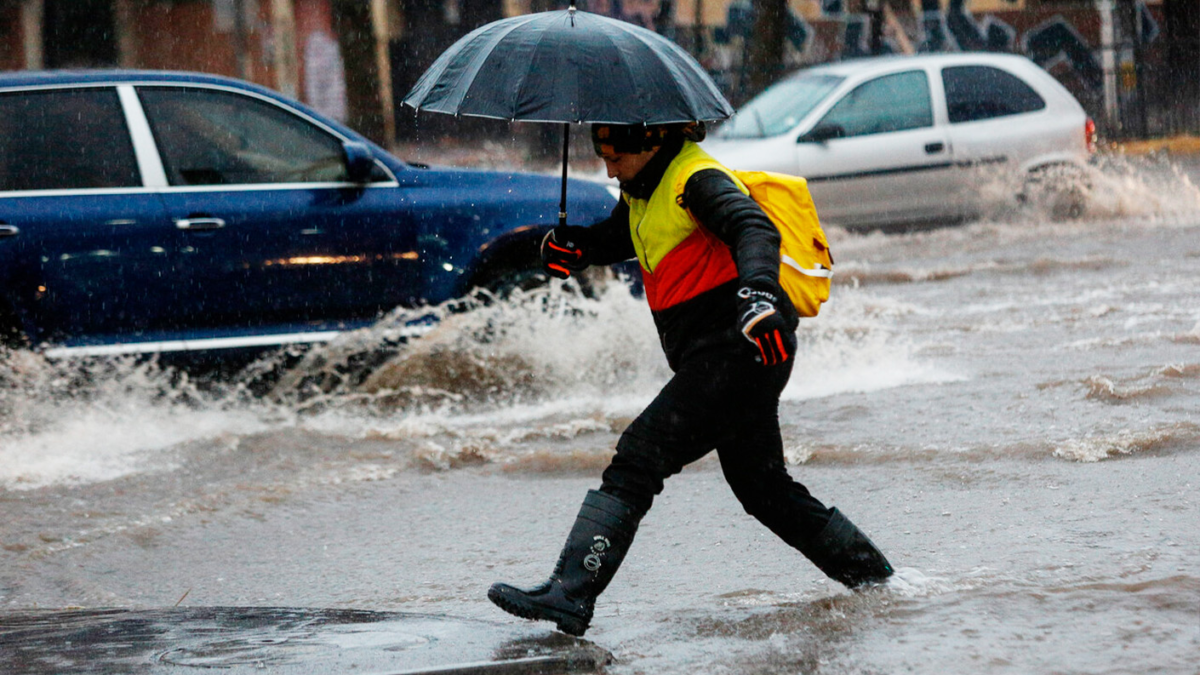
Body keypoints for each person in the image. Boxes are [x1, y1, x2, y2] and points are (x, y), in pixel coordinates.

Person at [487, 122, 893, 637]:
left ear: (651, 142)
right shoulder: (642, 187)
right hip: (723, 357)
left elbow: (754, 228)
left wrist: (760, 294)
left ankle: (570, 593)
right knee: (763, 490)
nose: (608, 167)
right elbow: (625, 236)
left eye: (616, 155)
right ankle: (877, 581)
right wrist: (577, 247)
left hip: (740, 348)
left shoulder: (695, 178)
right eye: (600, 154)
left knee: (638, 457)